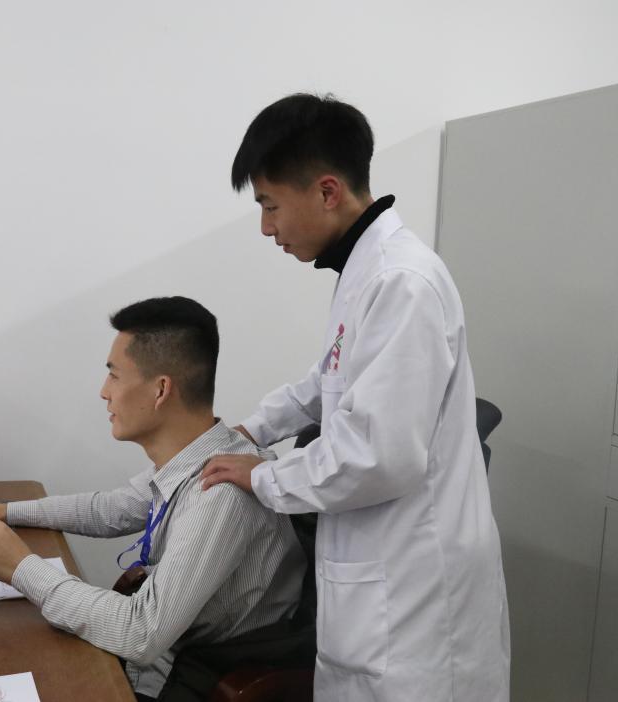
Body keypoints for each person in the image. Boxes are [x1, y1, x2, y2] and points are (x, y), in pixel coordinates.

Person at [200, 94, 511, 701]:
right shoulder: (365, 269)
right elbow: (328, 379)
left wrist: (262, 476)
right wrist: (251, 430)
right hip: (378, 600)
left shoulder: (402, 281)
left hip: (416, 610)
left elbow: (377, 456)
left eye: (270, 205)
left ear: (327, 191)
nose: (266, 228)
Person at [0, 296, 305, 702]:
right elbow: (111, 508)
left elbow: (141, 632)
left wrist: (21, 567)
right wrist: (5, 511)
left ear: (160, 390)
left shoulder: (221, 492)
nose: (104, 392)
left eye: (114, 375)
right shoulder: (200, 456)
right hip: (160, 663)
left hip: (181, 680)